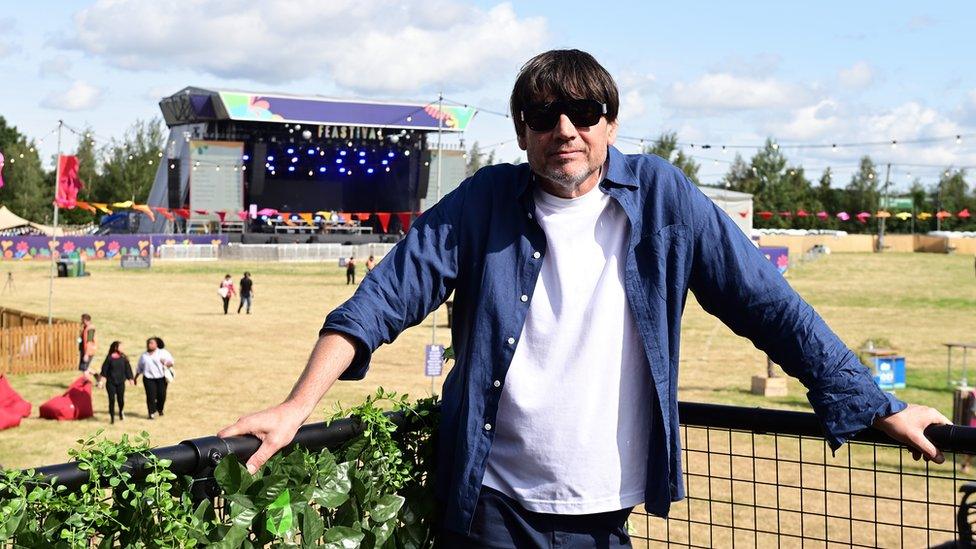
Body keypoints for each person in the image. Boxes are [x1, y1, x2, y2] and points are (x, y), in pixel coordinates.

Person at [220, 50, 949, 547]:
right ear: (522, 131)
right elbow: (376, 303)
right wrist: (294, 407)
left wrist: (877, 402)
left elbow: (768, 305)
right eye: (544, 116)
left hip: (607, 515)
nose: (565, 129)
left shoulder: (664, 197)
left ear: (611, 120)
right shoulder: (482, 204)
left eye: (584, 111)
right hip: (489, 510)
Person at [135, 337, 174, 419]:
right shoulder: (144, 356)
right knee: (150, 396)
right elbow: (139, 367)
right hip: (148, 378)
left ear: (157, 344)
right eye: (148, 343)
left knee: (161, 395)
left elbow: (171, 363)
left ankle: (159, 409)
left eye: (152, 343)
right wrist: (135, 378)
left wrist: (165, 362)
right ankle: (151, 412)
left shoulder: (163, 353)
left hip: (161, 378)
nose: (149, 345)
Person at [97, 341, 134, 424]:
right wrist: (101, 382)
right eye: (121, 346)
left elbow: (128, 370)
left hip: (121, 382)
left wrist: (131, 379)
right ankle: (112, 417)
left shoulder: (124, 358)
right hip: (111, 383)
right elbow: (104, 371)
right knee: (112, 399)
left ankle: (121, 412)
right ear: (115, 348)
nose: (123, 348)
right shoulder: (109, 358)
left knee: (120, 400)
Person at [77, 313, 97, 378]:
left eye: (82, 320)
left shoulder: (90, 329)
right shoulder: (85, 327)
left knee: (84, 368)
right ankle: (98, 377)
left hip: (88, 351)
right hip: (84, 350)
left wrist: (86, 354)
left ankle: (85, 384)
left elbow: (89, 342)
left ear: (85, 320)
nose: (81, 321)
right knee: (84, 368)